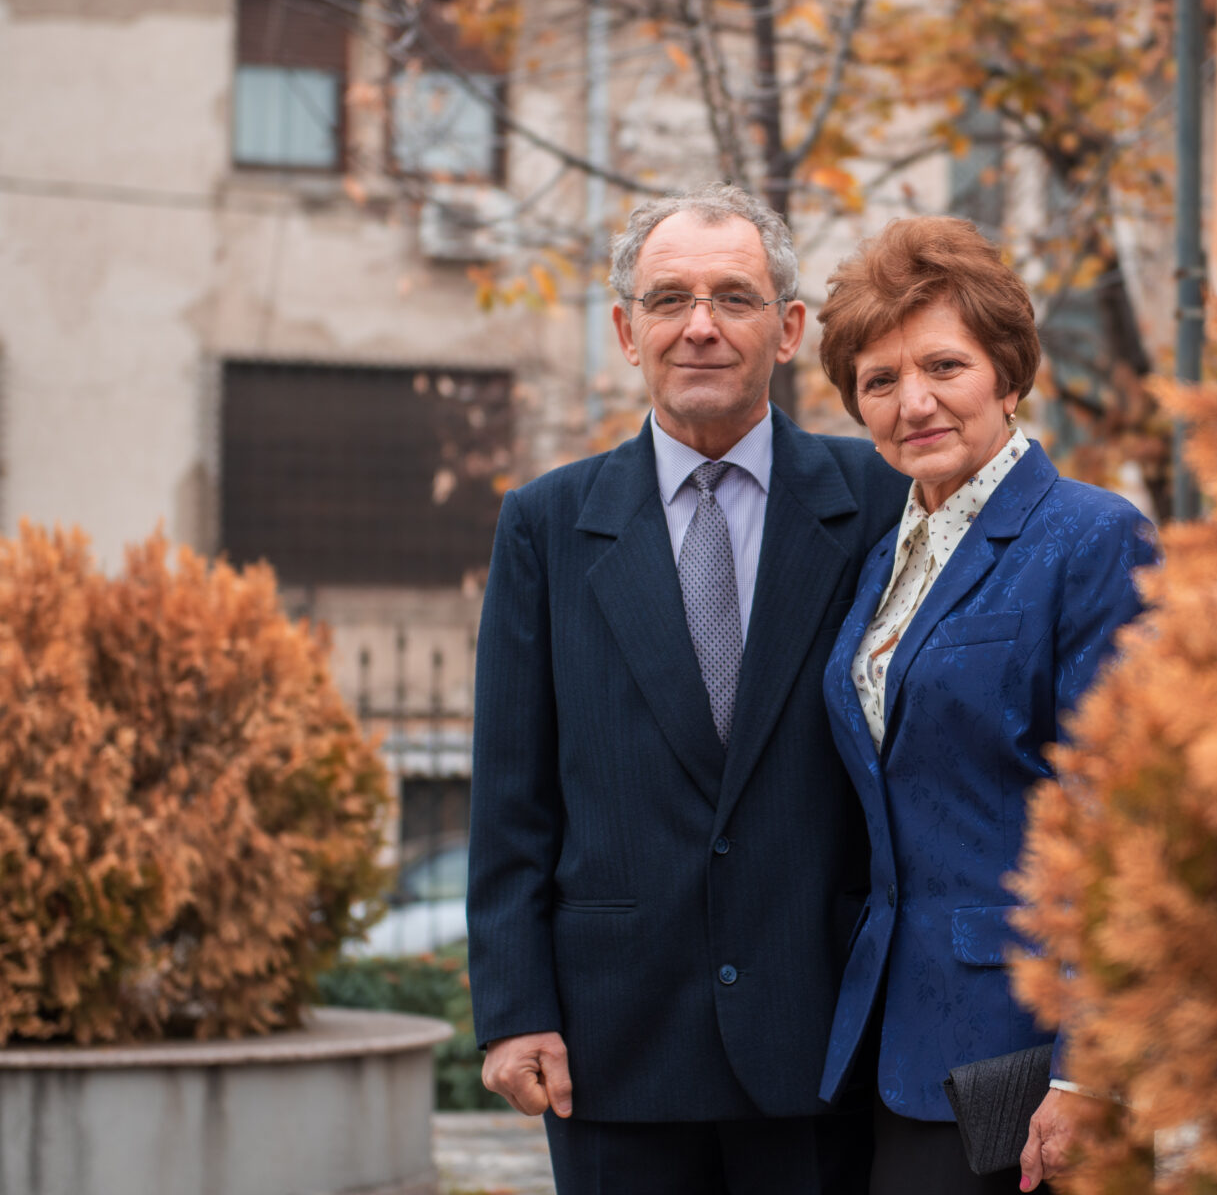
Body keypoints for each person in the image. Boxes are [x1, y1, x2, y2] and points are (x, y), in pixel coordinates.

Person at [466, 184, 909, 1195]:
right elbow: (509, 795)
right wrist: (513, 1009)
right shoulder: (545, 525)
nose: (699, 326)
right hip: (613, 1048)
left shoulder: (882, 503)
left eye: (733, 297)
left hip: (824, 1038)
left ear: (787, 329)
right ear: (627, 332)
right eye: (668, 299)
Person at [811, 217, 1158, 1194]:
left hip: (1024, 1047)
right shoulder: (886, 563)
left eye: (943, 366)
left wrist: (1089, 1069)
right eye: (879, 381)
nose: (912, 402)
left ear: (1007, 375)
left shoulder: (1092, 538)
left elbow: (1124, 817)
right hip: (892, 1036)